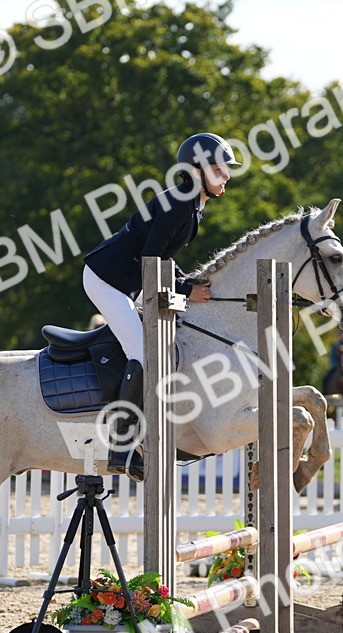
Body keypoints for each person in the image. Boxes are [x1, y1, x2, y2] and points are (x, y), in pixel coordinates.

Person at [82, 132, 235, 481]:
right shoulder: (181, 203)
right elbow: (151, 258)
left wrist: (189, 283)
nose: (226, 175)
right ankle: (120, 448)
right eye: (220, 168)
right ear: (198, 170)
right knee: (143, 351)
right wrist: (185, 289)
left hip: (130, 279)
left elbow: (162, 258)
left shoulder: (191, 204)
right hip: (108, 278)